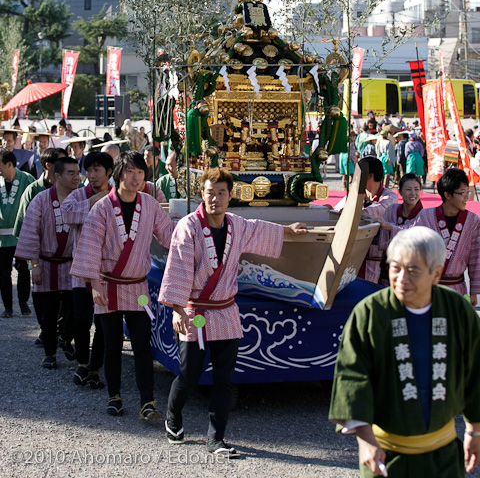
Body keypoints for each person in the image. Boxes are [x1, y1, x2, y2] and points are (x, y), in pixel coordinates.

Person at [159, 167, 307, 457]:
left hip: (225, 311)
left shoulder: (237, 225)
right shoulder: (187, 227)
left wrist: (289, 230)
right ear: (201, 193)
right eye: (210, 192)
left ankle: (217, 438)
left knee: (225, 380)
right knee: (189, 375)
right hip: (195, 311)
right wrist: (177, 310)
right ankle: (173, 417)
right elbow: (176, 269)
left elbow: (259, 228)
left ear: (230, 197)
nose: (215, 198)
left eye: (221, 193)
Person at [329, 226, 480, 477]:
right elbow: (353, 377)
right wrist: (366, 442)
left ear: (436, 273)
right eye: (395, 268)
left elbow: (475, 370)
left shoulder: (456, 310)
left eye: (413, 270)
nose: (401, 278)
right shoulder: (370, 312)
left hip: (442, 455)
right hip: (386, 455)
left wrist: (474, 430)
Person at [70, 151, 176, 421]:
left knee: (141, 343)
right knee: (112, 343)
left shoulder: (150, 204)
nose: (135, 177)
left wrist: (197, 233)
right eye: (130, 172)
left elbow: (169, 234)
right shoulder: (103, 207)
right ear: (118, 174)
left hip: (137, 287)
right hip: (108, 284)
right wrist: (94, 283)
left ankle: (147, 401)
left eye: (140, 172)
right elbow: (90, 246)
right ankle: (114, 396)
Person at [15, 157, 81, 369]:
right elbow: (30, 233)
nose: (76, 177)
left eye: (78, 173)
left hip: (72, 264)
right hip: (45, 263)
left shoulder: (81, 198)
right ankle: (50, 353)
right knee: (48, 312)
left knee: (76, 308)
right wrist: (34, 265)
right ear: (57, 176)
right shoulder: (41, 200)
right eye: (71, 173)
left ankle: (66, 338)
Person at [61, 152, 114, 389]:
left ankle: (95, 368)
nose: (92, 175)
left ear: (109, 172)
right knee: (82, 320)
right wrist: (95, 201)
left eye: (98, 170)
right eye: (89, 170)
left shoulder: (118, 195)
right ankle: (82, 363)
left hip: (108, 271)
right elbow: (67, 214)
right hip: (82, 269)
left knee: (103, 322)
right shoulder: (78, 195)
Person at [414, 167, 480, 304]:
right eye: (462, 193)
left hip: (457, 290)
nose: (467, 196)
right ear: (447, 195)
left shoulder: (473, 220)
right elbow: (412, 244)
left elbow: (476, 257)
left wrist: (474, 291)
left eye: (467, 191)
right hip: (428, 289)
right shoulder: (426, 216)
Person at [367, 173, 424, 284]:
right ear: (400, 192)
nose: (413, 193)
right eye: (408, 189)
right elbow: (382, 243)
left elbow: (414, 234)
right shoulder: (392, 209)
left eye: (416, 189)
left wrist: (389, 228)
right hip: (388, 271)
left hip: (412, 275)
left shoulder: (425, 214)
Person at [0, 149, 35, 317]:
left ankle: (23, 302)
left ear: (9, 164)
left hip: (21, 234)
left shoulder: (27, 180)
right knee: (3, 272)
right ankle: (7, 306)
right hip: (1, 236)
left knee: (23, 269)